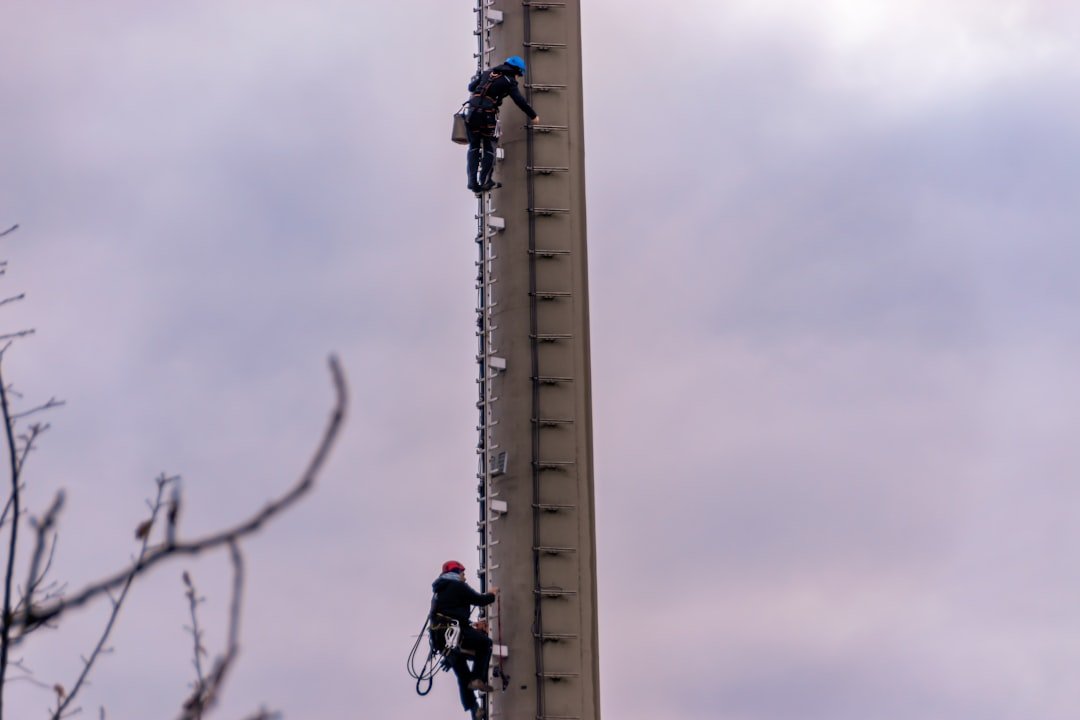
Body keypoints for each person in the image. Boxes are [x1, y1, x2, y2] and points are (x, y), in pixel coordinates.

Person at [430, 560, 498, 720]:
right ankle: (477, 678)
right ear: (456, 572)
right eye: (463, 574)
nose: (465, 578)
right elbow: (480, 600)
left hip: (442, 639)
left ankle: (474, 710)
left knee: (462, 674)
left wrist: (472, 625)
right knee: (484, 644)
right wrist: (492, 594)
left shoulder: (439, 592)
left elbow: (449, 613)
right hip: (454, 633)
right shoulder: (457, 586)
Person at [465, 55, 540, 193]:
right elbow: (519, 100)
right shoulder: (509, 81)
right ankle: (486, 181)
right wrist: (533, 115)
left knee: (474, 147)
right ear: (516, 70)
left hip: (471, 113)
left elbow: (471, 87)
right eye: (519, 74)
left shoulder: (488, 72)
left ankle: (471, 182)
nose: (518, 77)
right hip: (487, 115)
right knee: (489, 146)